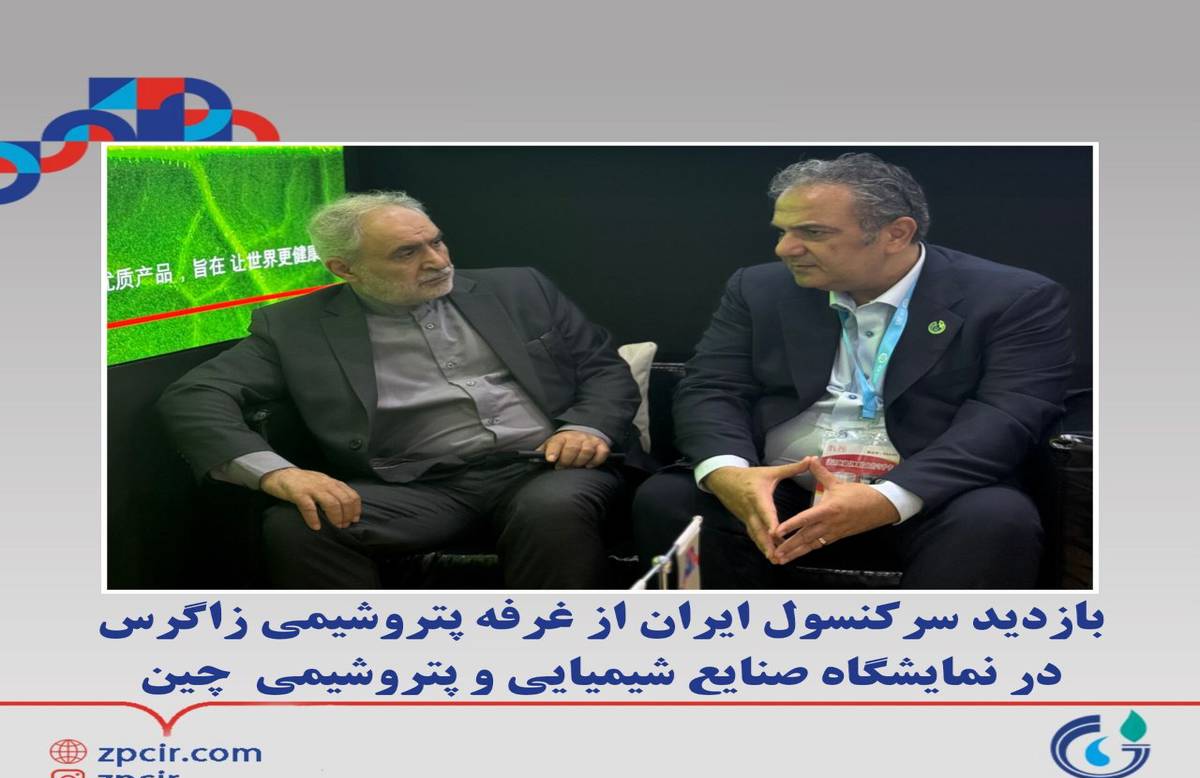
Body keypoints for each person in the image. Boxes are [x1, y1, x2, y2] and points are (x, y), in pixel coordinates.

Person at [159, 191, 644, 589]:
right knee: (302, 524)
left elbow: (602, 368)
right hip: (421, 488)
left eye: (436, 242)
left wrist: (587, 427)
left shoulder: (520, 289)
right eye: (406, 253)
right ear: (345, 269)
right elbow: (195, 395)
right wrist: (277, 474)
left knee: (550, 510)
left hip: (547, 467)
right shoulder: (296, 328)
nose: (436, 261)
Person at [633, 153, 1074, 589]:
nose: (785, 249)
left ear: (896, 234)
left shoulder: (1012, 299)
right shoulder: (758, 288)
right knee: (671, 498)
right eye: (783, 231)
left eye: (812, 232)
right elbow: (712, 387)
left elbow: (1008, 414)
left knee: (996, 520)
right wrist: (731, 473)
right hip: (782, 482)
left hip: (928, 486)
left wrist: (889, 496)